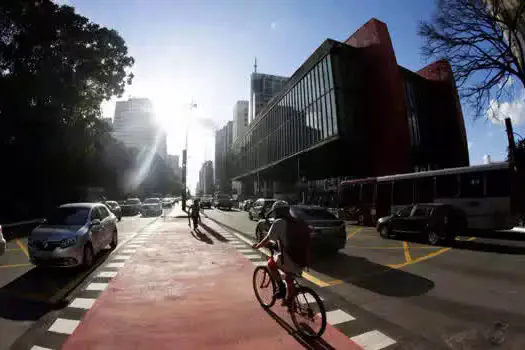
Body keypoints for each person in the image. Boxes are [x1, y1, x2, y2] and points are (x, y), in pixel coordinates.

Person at [253, 201, 312, 304]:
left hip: (289, 258)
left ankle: (281, 289)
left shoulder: (279, 222)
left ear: (277, 212)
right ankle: (290, 299)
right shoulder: (297, 221)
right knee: (289, 275)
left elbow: (268, 238)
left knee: (271, 264)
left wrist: (258, 246)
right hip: (303, 258)